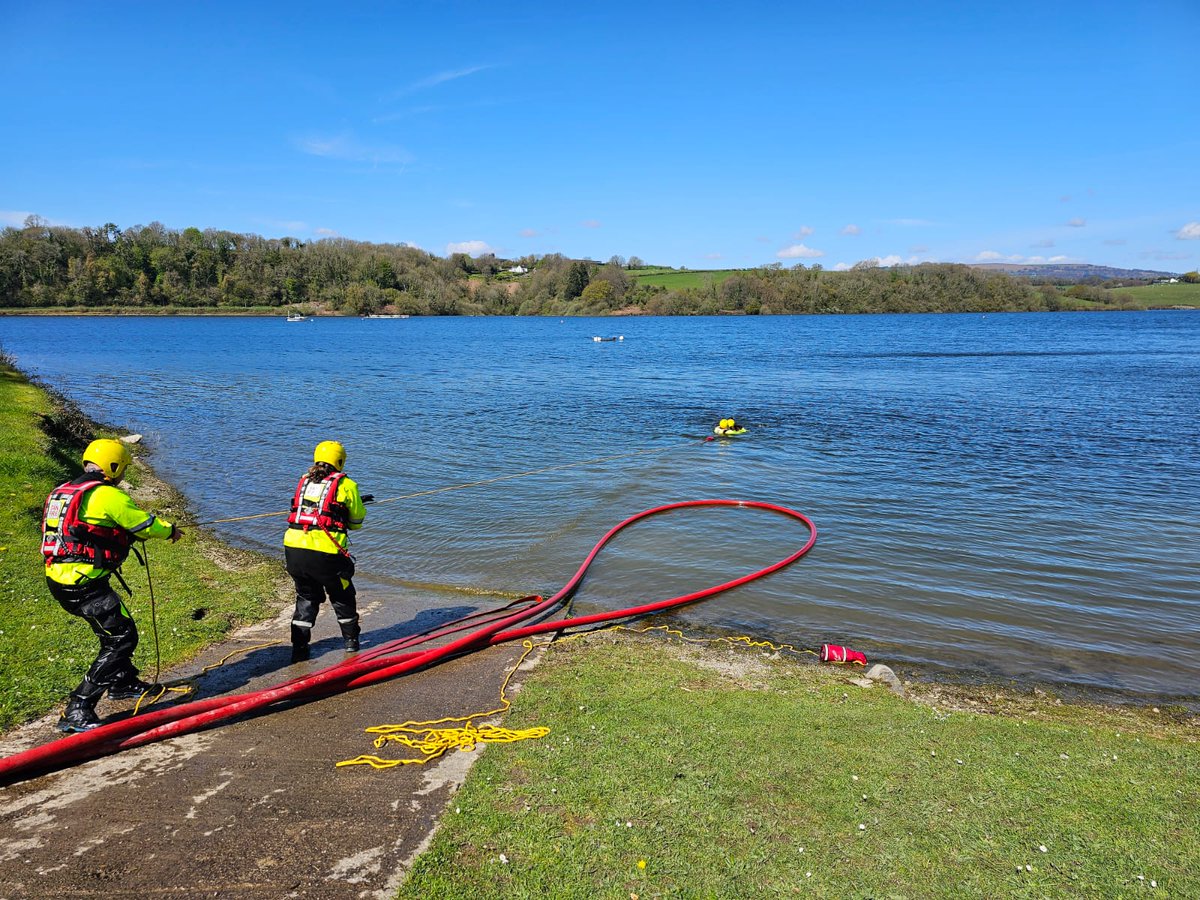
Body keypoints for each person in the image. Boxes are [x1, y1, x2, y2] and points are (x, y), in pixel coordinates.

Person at [42, 438, 184, 732]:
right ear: (113, 466)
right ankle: (78, 708)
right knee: (122, 638)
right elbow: (144, 524)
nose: (123, 476)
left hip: (61, 577)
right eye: (122, 469)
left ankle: (122, 682)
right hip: (83, 585)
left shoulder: (64, 491)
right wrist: (170, 531)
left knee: (114, 631)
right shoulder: (107, 495)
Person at [283, 440, 366, 662]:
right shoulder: (346, 484)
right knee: (342, 595)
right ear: (340, 460)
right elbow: (357, 521)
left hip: (294, 550)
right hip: (327, 554)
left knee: (306, 596)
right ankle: (351, 643)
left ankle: (299, 648)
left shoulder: (304, 480)